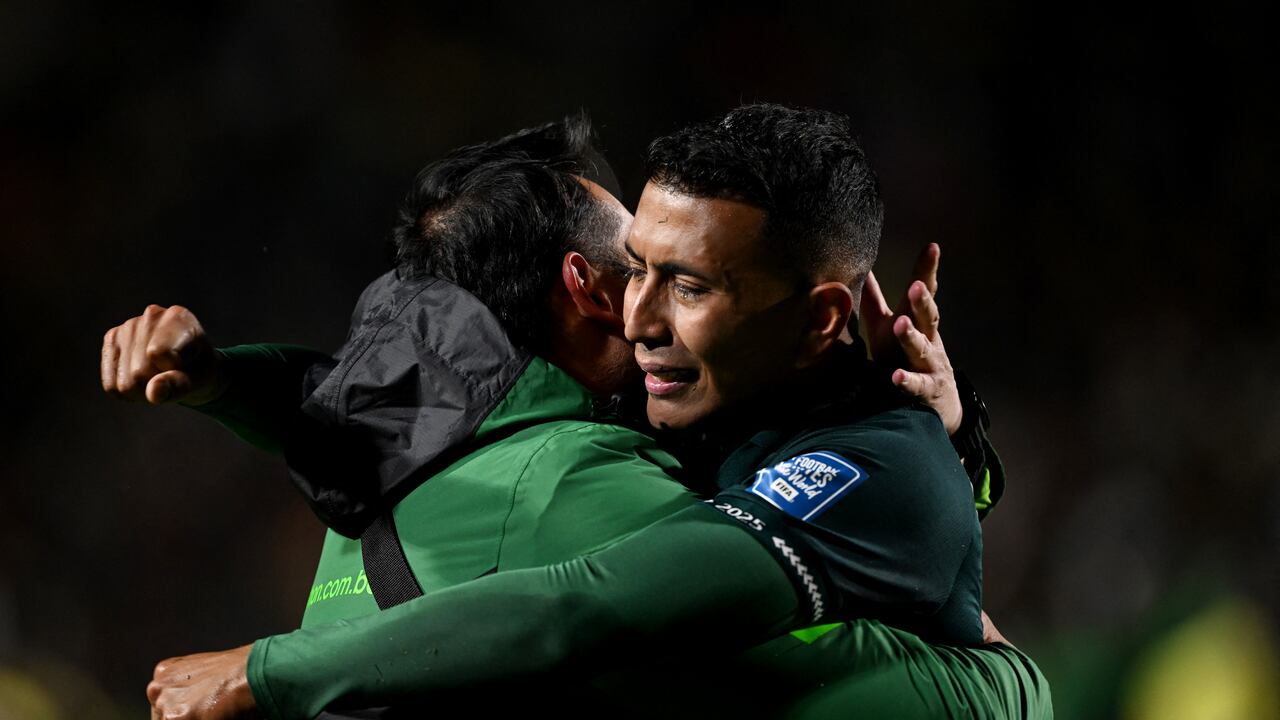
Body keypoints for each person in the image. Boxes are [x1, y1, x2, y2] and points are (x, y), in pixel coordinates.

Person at [106, 109, 1048, 718]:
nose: (637, 314)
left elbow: (336, 394)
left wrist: (227, 380)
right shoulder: (582, 482)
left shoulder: (383, 456)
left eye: (681, 282)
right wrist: (1008, 676)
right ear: (580, 288)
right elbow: (592, 604)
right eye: (632, 270)